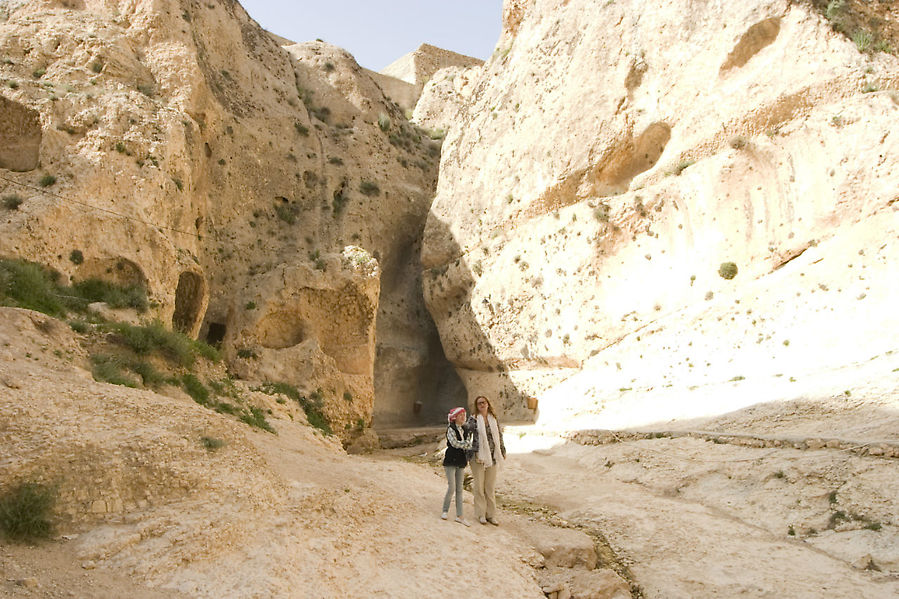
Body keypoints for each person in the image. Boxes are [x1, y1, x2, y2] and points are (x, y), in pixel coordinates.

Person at [467, 395, 505, 525]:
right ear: (476, 406)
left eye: (484, 402)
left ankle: (491, 515)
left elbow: (499, 436)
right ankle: (480, 514)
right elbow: (467, 436)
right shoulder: (473, 420)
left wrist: (503, 450)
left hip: (493, 456)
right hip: (478, 457)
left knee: (489, 487)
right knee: (479, 486)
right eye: (479, 403)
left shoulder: (493, 419)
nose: (482, 405)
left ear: (488, 404)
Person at [442, 407, 472, 526]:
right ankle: (445, 510)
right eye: (461, 415)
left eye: (464, 415)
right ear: (455, 417)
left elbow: (468, 444)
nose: (463, 417)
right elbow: (454, 443)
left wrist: (463, 444)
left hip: (460, 461)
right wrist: (464, 444)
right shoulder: (451, 428)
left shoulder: (465, 429)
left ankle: (460, 515)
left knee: (459, 489)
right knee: (452, 487)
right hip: (450, 461)